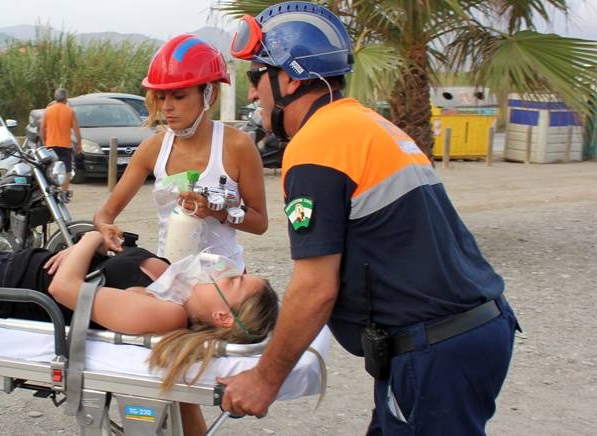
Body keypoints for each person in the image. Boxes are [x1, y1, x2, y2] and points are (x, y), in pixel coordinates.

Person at [218, 3, 520, 434]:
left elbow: (315, 287)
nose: (252, 94)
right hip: (468, 333)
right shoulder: (369, 125)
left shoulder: (316, 144)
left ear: (288, 76)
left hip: (435, 348)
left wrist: (265, 379)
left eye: (255, 77)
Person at [0, 230, 279, 435]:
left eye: (236, 282)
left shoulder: (167, 317)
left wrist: (87, 240)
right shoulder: (174, 294)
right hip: (3, 267)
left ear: (224, 318)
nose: (227, 272)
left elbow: (64, 287)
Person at [93, 34, 267, 272]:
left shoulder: (238, 146)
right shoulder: (153, 149)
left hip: (225, 282)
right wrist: (105, 228)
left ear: (209, 94)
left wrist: (219, 212)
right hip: (171, 280)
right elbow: (104, 215)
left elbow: (260, 224)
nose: (167, 107)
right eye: (161, 97)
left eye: (179, 96)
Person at [40, 87, 82, 192]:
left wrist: (44, 141)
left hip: (51, 144)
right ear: (66, 98)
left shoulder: (48, 110)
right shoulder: (70, 111)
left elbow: (42, 128)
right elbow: (76, 129)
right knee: (66, 169)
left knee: (51, 169)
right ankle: (64, 191)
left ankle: (52, 189)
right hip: (65, 145)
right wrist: (79, 144)